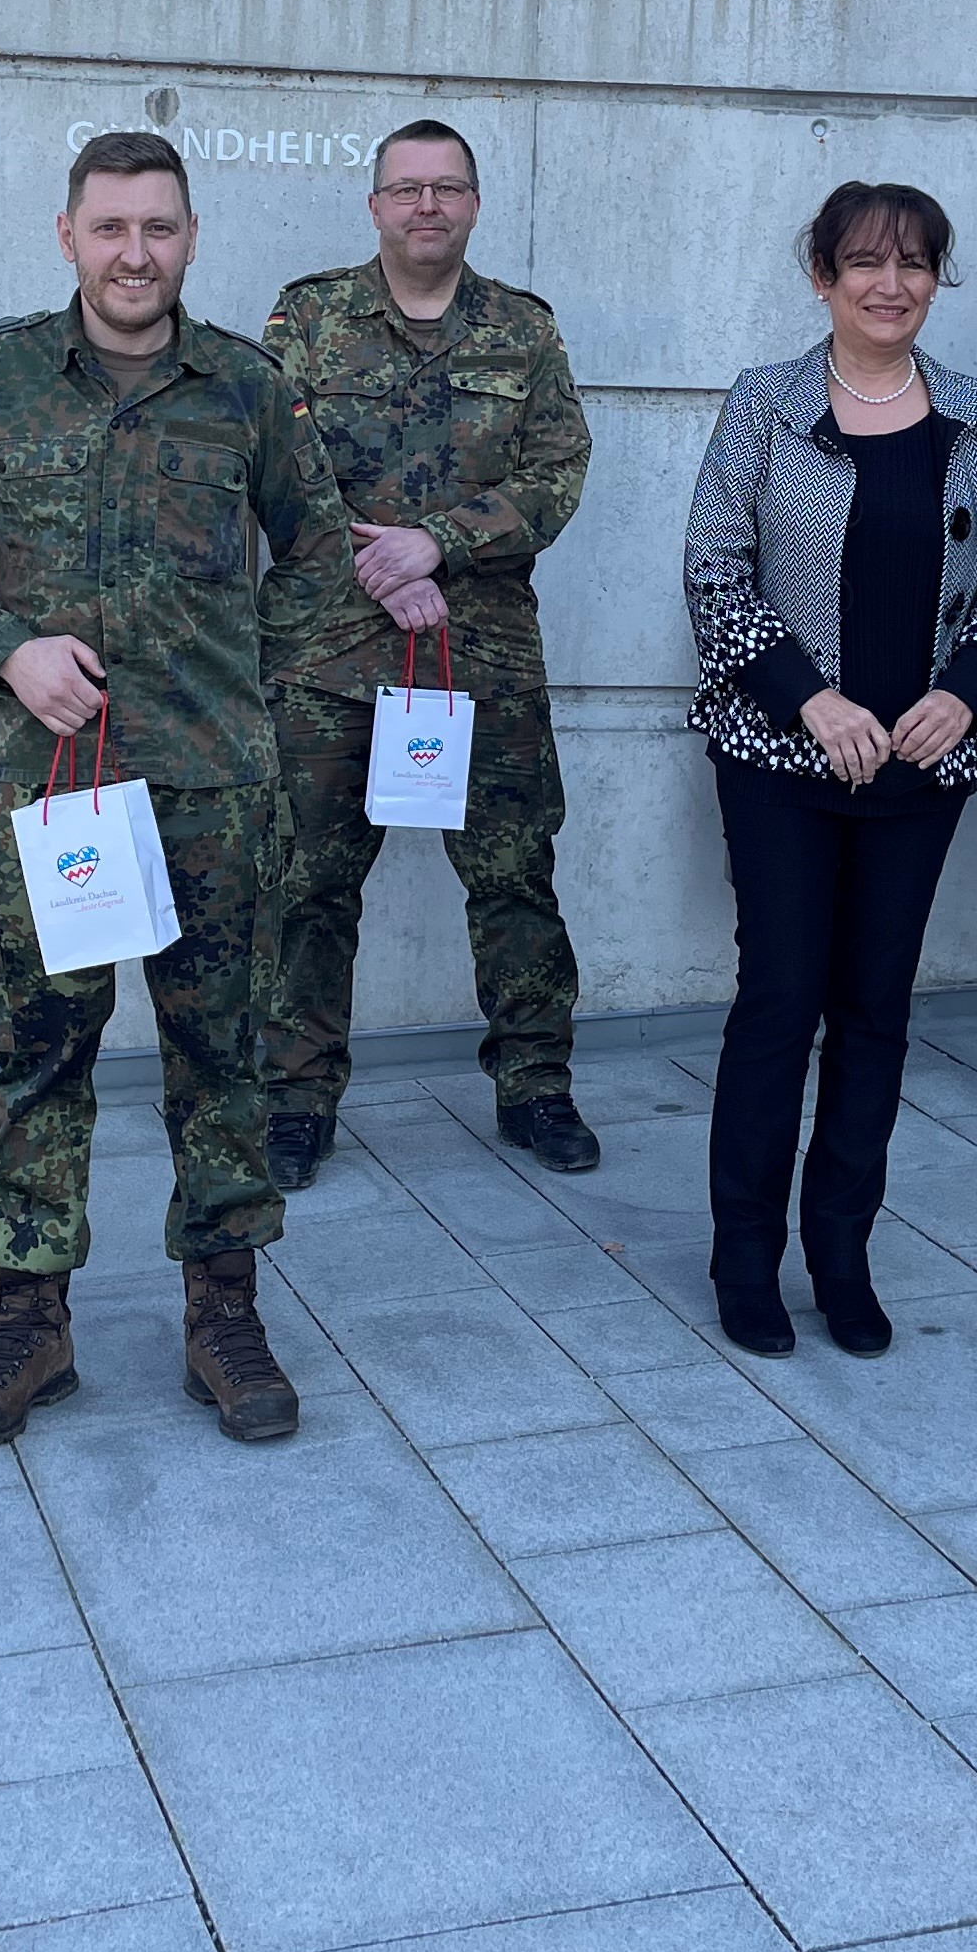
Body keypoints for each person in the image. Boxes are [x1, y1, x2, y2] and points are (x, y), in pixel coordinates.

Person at [0, 131, 350, 1446]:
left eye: (159, 228)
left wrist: (245, 668)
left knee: (225, 1059)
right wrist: (6, 648)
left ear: (190, 239)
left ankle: (225, 1314)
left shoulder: (250, 390)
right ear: (68, 235)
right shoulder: (1, 375)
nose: (133, 253)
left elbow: (319, 554)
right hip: (53, 789)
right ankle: (31, 1321)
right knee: (41, 1057)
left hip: (215, 787)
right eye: (110, 228)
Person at [682, 184, 977, 1359]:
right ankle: (747, 1260)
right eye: (864, 263)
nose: (890, 285)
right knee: (780, 1005)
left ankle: (842, 1254)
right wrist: (813, 697)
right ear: (822, 275)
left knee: (876, 1014)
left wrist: (966, 693)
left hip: (920, 773)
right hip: (782, 759)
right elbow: (713, 573)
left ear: (939, 277)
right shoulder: (763, 407)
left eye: (914, 264)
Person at [258, 120, 599, 1189]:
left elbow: (557, 474)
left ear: (474, 205)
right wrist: (380, 570)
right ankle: (295, 1098)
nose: (426, 206)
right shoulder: (308, 317)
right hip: (325, 655)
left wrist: (437, 547)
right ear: (375, 207)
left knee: (512, 880)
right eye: (406, 188)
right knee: (307, 884)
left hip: (479, 653)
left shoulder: (524, 332)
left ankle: (537, 1085)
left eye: (447, 188)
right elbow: (271, 464)